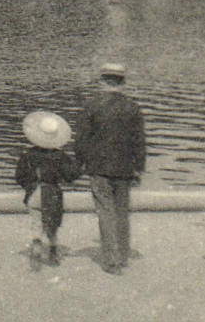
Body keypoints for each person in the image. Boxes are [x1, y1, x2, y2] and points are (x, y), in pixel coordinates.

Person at [72, 63, 145, 275]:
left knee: (105, 212)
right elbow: (139, 141)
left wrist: (80, 162)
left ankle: (111, 260)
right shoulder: (133, 107)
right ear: (122, 83)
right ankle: (122, 256)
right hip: (125, 169)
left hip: (99, 168)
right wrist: (139, 168)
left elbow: (81, 139)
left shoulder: (91, 105)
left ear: (102, 81)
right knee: (122, 213)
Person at [16, 111, 82, 269]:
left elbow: (19, 176)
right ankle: (53, 251)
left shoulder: (28, 155)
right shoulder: (61, 156)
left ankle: (37, 244)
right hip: (52, 193)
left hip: (34, 191)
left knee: (35, 222)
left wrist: (29, 185)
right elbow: (71, 175)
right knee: (52, 224)